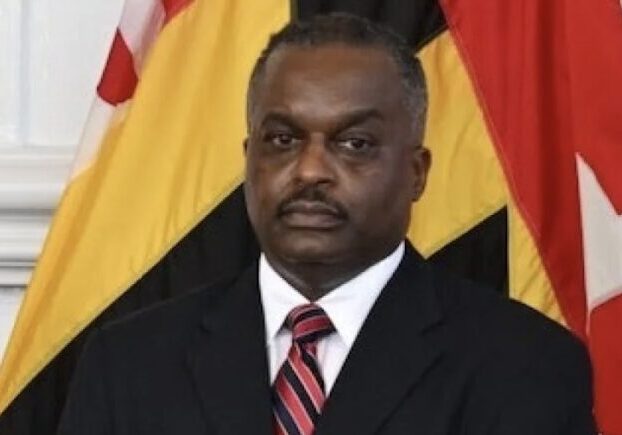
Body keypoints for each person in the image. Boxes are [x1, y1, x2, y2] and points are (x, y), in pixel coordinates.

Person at [58, 13, 596, 435]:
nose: (310, 170)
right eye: (283, 140)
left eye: (354, 144)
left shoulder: (525, 367)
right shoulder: (128, 365)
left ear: (416, 173)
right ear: (249, 159)